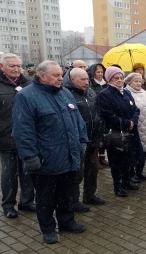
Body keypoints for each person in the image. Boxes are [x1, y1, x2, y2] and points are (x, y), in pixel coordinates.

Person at [11, 60, 89, 244]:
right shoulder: (27, 96)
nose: (60, 78)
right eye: (56, 75)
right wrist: (30, 156)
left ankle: (66, 221)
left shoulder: (65, 93)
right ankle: (47, 229)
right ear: (42, 76)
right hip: (46, 159)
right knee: (46, 198)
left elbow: (78, 120)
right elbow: (23, 130)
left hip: (69, 156)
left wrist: (82, 141)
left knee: (66, 194)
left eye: (61, 74)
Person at [0, 53, 36, 218]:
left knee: (28, 171)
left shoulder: (29, 84)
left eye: (19, 65)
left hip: (27, 138)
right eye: (12, 66)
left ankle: (27, 201)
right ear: (2, 67)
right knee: (9, 174)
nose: (17, 69)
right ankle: (8, 205)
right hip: (6, 137)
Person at [64, 68, 106, 209]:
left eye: (87, 79)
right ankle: (73, 201)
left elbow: (98, 112)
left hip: (93, 137)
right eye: (82, 80)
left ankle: (90, 195)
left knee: (92, 168)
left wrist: (100, 131)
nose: (86, 82)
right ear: (72, 79)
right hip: (78, 140)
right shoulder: (66, 94)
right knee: (77, 172)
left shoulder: (91, 92)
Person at [96, 66, 140, 197]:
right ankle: (117, 185)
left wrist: (133, 120)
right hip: (116, 133)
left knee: (129, 158)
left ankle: (126, 181)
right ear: (109, 79)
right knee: (116, 161)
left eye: (121, 77)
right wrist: (126, 123)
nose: (120, 80)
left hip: (131, 131)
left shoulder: (126, 92)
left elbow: (136, 109)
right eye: (116, 78)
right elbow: (108, 115)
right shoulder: (105, 95)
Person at [124, 72, 146, 181]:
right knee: (134, 153)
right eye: (135, 81)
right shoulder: (127, 93)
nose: (138, 83)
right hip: (136, 127)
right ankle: (131, 174)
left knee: (143, 153)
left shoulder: (143, 92)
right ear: (129, 82)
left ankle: (139, 172)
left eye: (139, 81)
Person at [86, 63, 109, 167]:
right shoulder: (90, 84)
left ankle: (102, 157)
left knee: (104, 137)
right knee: (97, 138)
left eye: (101, 72)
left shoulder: (106, 84)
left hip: (105, 113)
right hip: (96, 113)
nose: (100, 74)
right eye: (97, 72)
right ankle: (95, 160)